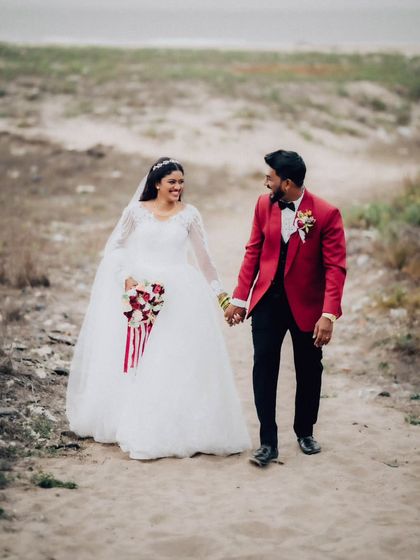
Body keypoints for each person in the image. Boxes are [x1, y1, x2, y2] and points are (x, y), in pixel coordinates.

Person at [66, 157, 251, 460]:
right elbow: (114, 248)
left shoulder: (189, 215)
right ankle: (131, 418)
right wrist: (125, 278)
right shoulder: (135, 213)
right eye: (172, 182)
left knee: (175, 358)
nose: (178, 187)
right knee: (140, 357)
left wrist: (222, 297)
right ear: (156, 184)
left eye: (181, 182)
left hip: (181, 295)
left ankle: (179, 426)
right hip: (142, 291)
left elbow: (205, 261)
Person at [225, 150, 346, 467]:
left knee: (309, 369)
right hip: (267, 301)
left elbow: (335, 268)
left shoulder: (326, 213)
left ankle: (305, 431)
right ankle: (268, 442)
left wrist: (328, 314)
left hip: (307, 305)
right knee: (263, 367)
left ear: (287, 182)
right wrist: (240, 298)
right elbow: (253, 251)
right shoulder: (264, 205)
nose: (266, 182)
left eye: (270, 177)